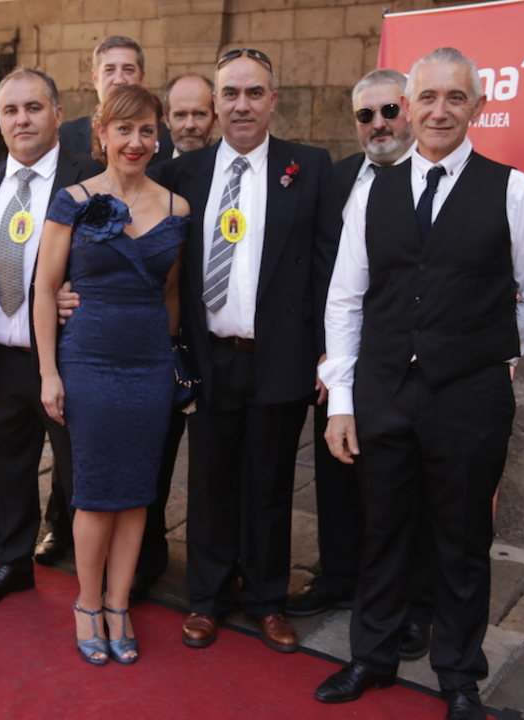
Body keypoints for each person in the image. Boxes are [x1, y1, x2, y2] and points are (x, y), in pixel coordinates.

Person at [313, 48, 524, 720]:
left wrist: (491, 352)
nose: (439, 110)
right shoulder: (373, 190)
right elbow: (345, 300)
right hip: (384, 392)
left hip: (469, 399)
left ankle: (457, 678)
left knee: (461, 541)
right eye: (426, 97)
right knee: (382, 531)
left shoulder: (511, 191)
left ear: (477, 106)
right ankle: (371, 657)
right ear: (408, 106)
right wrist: (342, 401)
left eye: (455, 97)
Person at [156, 48, 341, 653]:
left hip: (280, 355)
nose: (242, 105)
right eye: (231, 94)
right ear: (215, 103)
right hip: (209, 355)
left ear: (273, 100)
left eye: (254, 93)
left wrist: (327, 353)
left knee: (270, 484)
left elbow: (328, 269)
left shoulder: (310, 167)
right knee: (208, 482)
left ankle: (266, 600)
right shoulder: (184, 173)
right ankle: (207, 598)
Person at [34, 84, 190, 665]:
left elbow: (170, 296)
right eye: (124, 129)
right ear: (101, 132)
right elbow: (45, 290)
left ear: (158, 135)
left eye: (147, 130)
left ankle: (119, 605)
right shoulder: (72, 199)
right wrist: (49, 372)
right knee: (97, 494)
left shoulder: (177, 208)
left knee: (137, 494)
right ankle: (87, 603)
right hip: (88, 362)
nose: (135, 141)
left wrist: (165, 359)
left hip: (149, 366)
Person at [289, 68, 433, 662]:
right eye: (365, 115)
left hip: (410, 365)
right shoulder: (338, 177)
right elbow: (317, 266)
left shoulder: (437, 180)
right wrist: (325, 351)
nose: (378, 124)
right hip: (342, 357)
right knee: (337, 472)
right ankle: (340, 576)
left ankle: (414, 605)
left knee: (408, 489)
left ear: (409, 110)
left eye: (389, 111)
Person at [0, 67, 100, 607]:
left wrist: (82, 293)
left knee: (82, 476)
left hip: (68, 360)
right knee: (8, 471)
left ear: (58, 114)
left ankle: (99, 581)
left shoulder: (90, 179)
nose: (22, 120)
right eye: (10, 110)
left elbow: (112, 263)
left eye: (33, 108)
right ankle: (13, 563)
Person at [58, 35, 174, 165]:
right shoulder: (64, 136)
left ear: (141, 78)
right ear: (95, 78)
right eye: (109, 70)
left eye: (128, 70)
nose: (119, 80)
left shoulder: (169, 139)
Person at [163, 73, 218, 158]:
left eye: (199, 114)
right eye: (180, 115)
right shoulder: (149, 165)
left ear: (215, 119)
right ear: (167, 120)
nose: (190, 125)